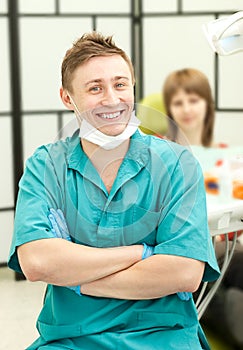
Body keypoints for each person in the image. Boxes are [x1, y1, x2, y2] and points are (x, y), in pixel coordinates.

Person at [8, 33, 219, 350]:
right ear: (68, 98)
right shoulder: (46, 166)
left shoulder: (176, 163)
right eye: (95, 88)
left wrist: (78, 280)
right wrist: (144, 253)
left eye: (120, 84)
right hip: (70, 338)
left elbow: (185, 272)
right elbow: (37, 262)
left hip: (163, 335)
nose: (111, 99)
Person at [162, 67, 243, 349]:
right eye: (178, 102)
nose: (186, 109)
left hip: (230, 248)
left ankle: (230, 309)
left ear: (208, 104)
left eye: (193, 100)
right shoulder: (161, 154)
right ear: (169, 108)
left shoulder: (229, 156)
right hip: (189, 250)